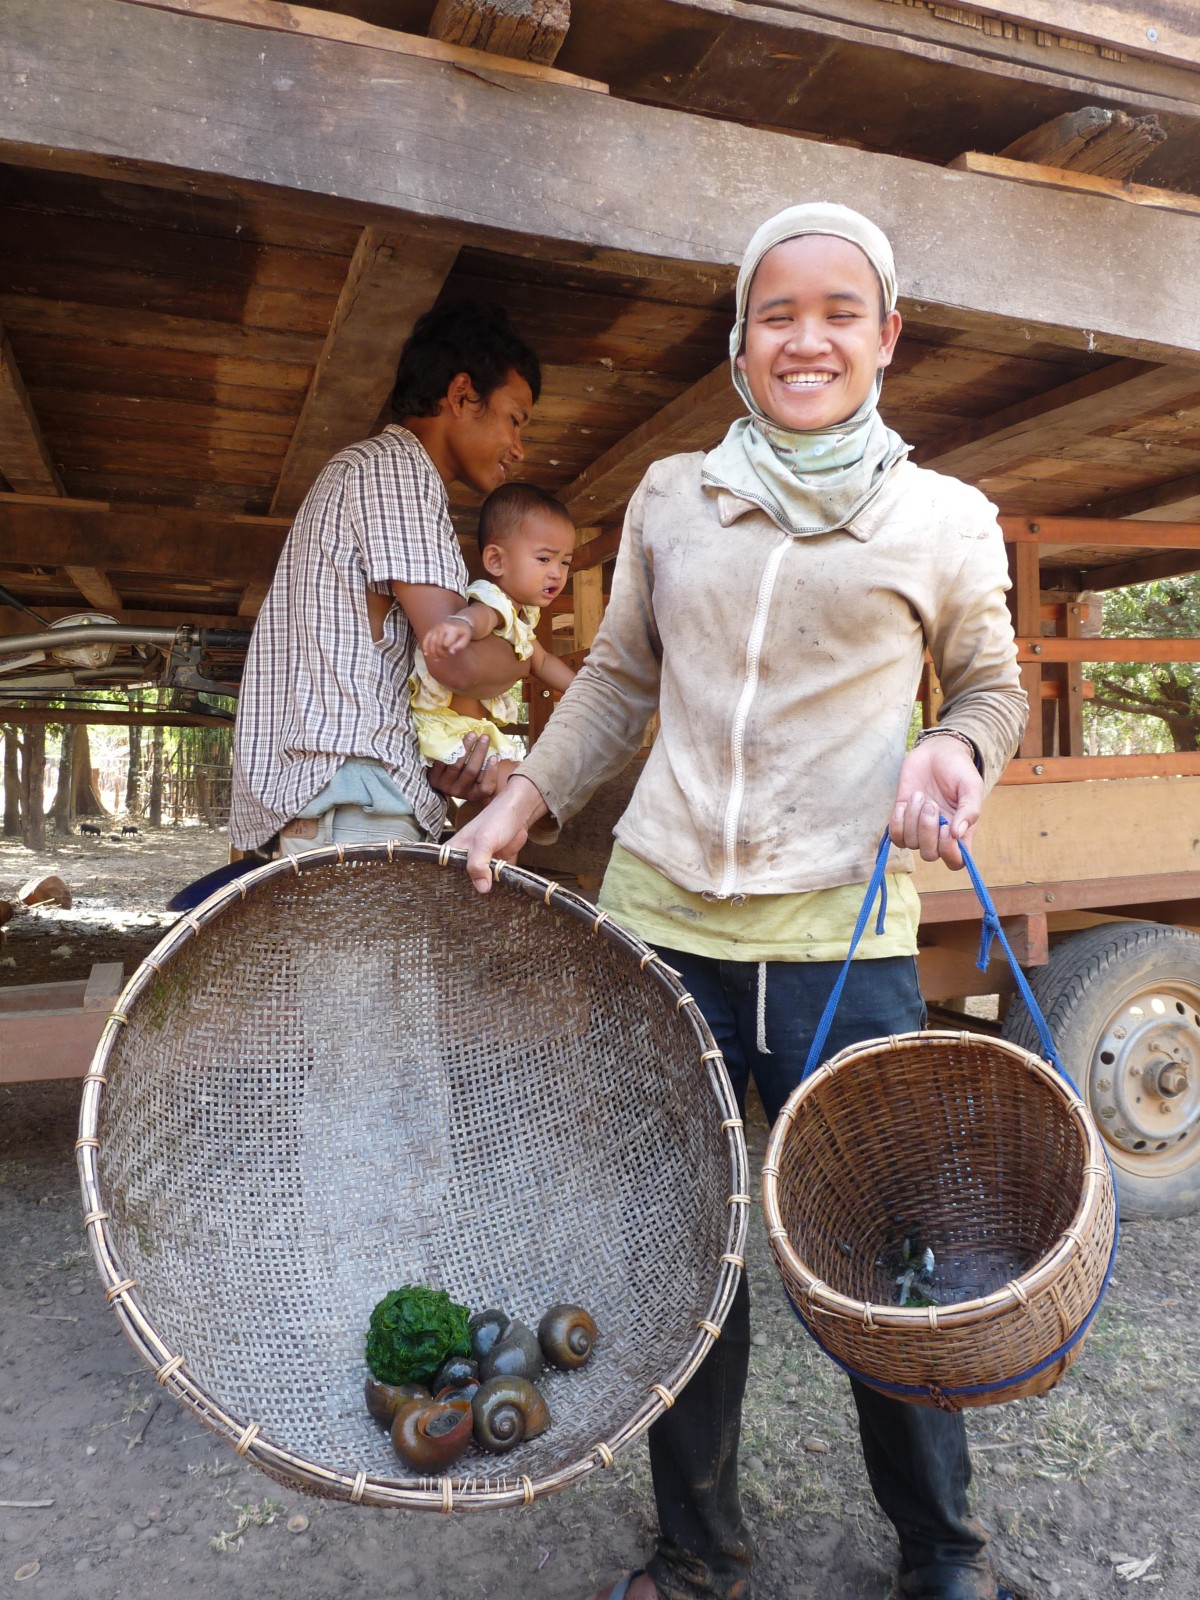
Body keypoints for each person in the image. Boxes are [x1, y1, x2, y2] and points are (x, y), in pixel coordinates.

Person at [454, 203, 1028, 1600]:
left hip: (840, 937)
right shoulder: (670, 496)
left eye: (841, 310)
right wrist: (526, 799)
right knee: (688, 1254)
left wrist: (953, 749)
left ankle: (941, 1555)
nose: (809, 335)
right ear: (741, 341)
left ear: (886, 338)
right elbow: (617, 683)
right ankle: (701, 1551)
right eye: (780, 312)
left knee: (880, 1258)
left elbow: (993, 687)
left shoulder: (944, 519)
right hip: (668, 928)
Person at [229, 301, 542, 858]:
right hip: (356, 805)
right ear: (463, 395)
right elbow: (460, 662)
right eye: (515, 419)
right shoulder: (395, 470)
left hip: (349, 800)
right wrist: (527, 650)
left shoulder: (369, 472)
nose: (519, 448)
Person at [410, 482, 577, 793]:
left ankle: (475, 834)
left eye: (564, 562)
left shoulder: (522, 616)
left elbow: (541, 660)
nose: (557, 572)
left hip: (471, 732)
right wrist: (463, 626)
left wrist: (583, 692)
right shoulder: (494, 599)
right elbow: (483, 616)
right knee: (518, 783)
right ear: (497, 561)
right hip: (449, 730)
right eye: (544, 559)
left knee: (499, 795)